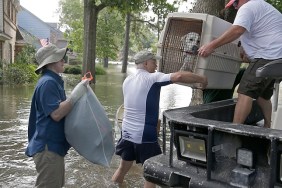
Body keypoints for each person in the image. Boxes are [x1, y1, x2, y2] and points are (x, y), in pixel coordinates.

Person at [111, 50, 208, 188]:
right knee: (153, 174)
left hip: (126, 132)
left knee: (122, 168)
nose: (156, 65)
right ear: (145, 63)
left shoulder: (127, 80)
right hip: (144, 133)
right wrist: (202, 79)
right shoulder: (152, 78)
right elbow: (179, 76)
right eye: (153, 61)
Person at [198, 0, 282, 128]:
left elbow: (237, 30)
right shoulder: (263, 6)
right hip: (277, 58)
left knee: (244, 92)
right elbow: (261, 32)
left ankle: (234, 130)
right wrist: (246, 48)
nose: (236, 8)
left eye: (235, 4)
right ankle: (267, 126)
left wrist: (211, 45)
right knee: (262, 96)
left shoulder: (247, 7)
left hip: (267, 56)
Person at [25, 44, 88, 187]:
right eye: (61, 58)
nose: (64, 60)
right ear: (51, 62)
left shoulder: (52, 81)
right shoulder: (48, 83)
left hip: (51, 147)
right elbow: (56, 114)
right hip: (48, 149)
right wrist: (75, 95)